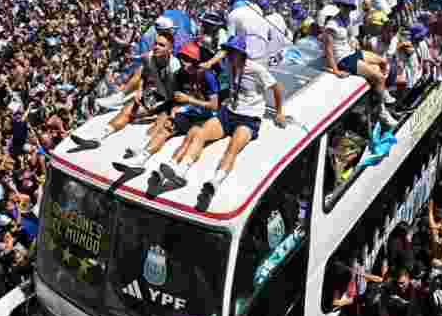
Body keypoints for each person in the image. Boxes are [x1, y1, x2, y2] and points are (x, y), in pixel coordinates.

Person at [157, 35, 286, 208]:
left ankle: (214, 184)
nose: (229, 55)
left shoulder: (256, 70)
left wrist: (280, 113)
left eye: (233, 52)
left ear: (241, 54)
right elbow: (222, 52)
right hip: (229, 112)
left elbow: (277, 88)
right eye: (229, 52)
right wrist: (209, 63)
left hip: (249, 118)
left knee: (232, 148)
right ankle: (182, 171)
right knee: (201, 133)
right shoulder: (229, 63)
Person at [113, 41, 220, 173]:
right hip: (190, 111)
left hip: (205, 117)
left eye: (186, 59)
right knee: (166, 127)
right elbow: (177, 97)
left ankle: (175, 167)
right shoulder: (181, 74)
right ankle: (140, 159)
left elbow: (214, 106)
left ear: (195, 61)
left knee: (187, 138)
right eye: (181, 57)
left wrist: (189, 100)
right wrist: (175, 109)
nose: (182, 61)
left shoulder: (207, 76)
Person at [71, 32, 181, 149]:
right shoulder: (149, 57)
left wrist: (171, 109)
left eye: (162, 45)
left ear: (170, 49)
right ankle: (98, 137)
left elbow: (181, 92)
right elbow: (144, 74)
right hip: (158, 96)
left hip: (173, 101)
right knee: (127, 110)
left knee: (160, 123)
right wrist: (140, 90)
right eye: (155, 43)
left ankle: (141, 149)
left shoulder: (175, 67)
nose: (156, 47)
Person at [322, 0, 398, 128]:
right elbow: (328, 49)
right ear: (340, 6)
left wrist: (353, 41)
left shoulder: (346, 19)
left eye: (349, 7)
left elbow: (351, 34)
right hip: (343, 59)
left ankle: (381, 93)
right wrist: (336, 70)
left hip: (351, 52)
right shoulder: (332, 24)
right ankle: (382, 111)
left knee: (383, 62)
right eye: (344, 6)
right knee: (379, 77)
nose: (347, 9)